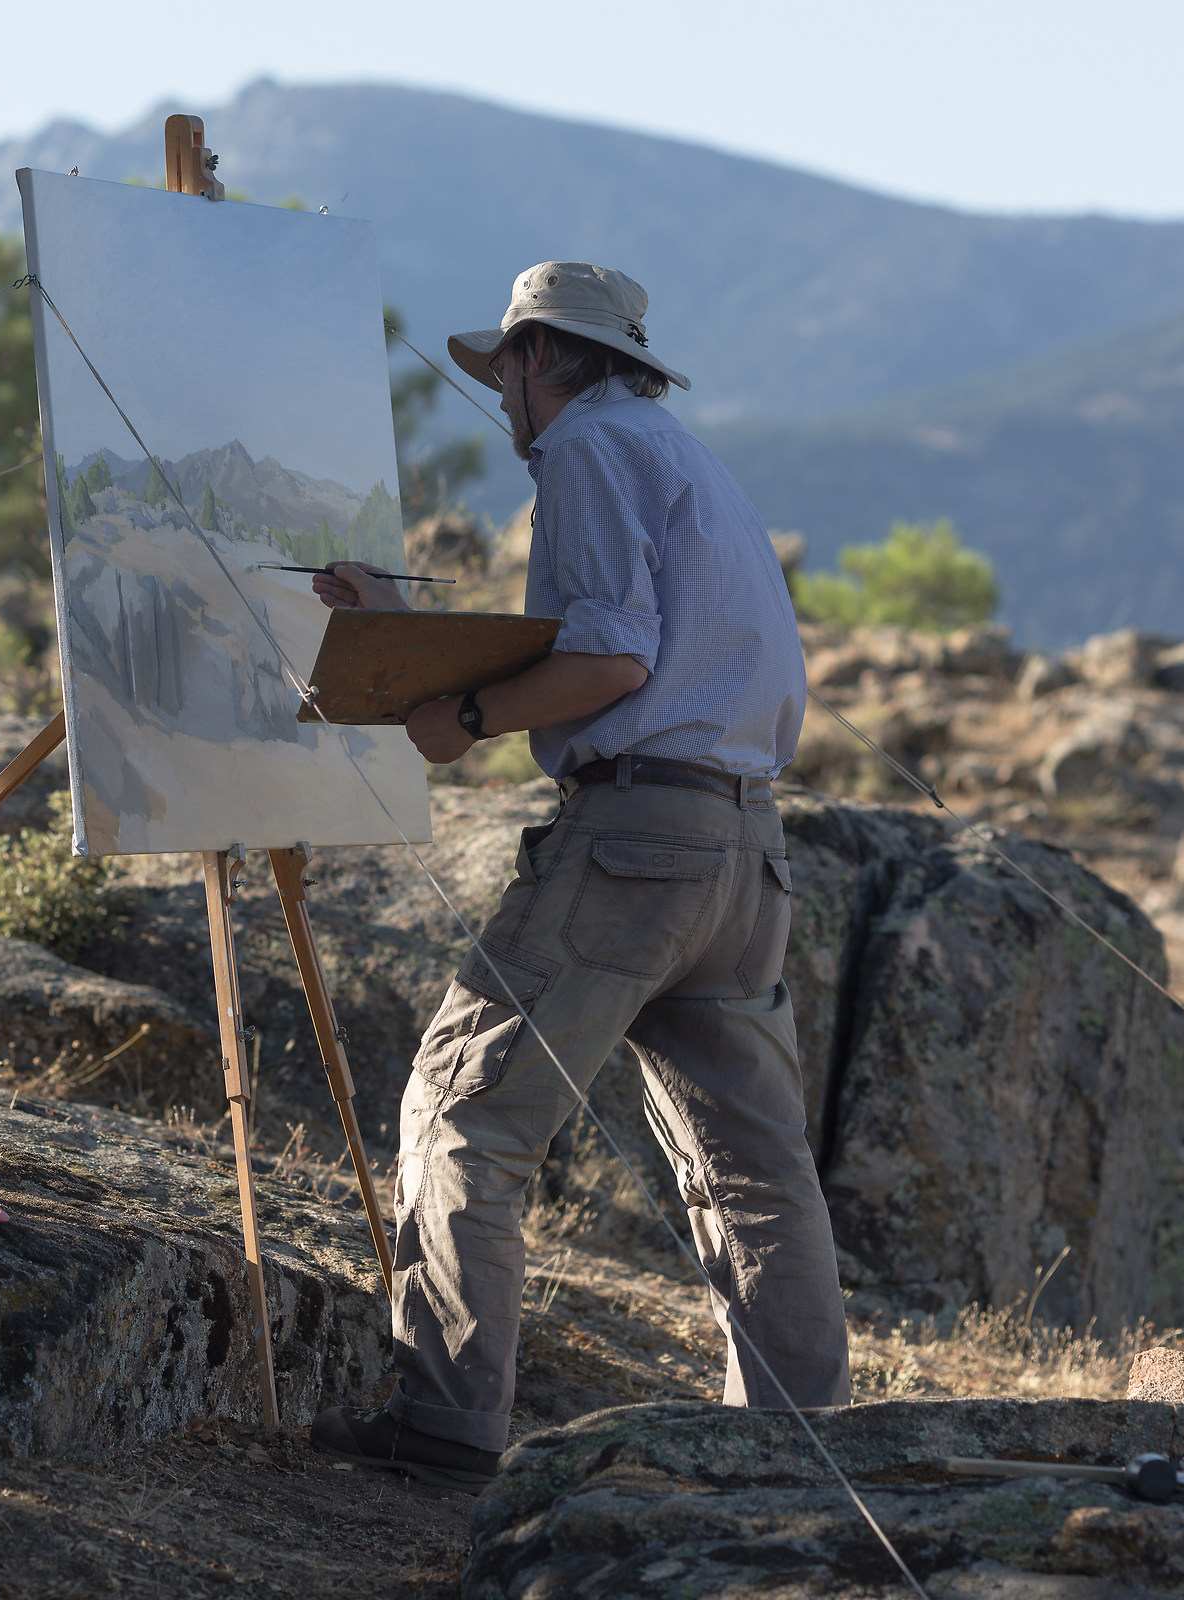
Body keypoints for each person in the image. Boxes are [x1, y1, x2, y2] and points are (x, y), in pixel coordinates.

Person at [308, 262, 850, 1491]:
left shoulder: (587, 451)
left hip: (636, 843)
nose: (501, 389)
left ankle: (442, 1424)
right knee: (755, 1170)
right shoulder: (676, 454)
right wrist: (405, 629)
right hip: (744, 850)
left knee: (463, 1114)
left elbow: (610, 661)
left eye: (504, 363)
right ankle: (798, 1456)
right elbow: (625, 648)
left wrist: (467, 719)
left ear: (539, 356)